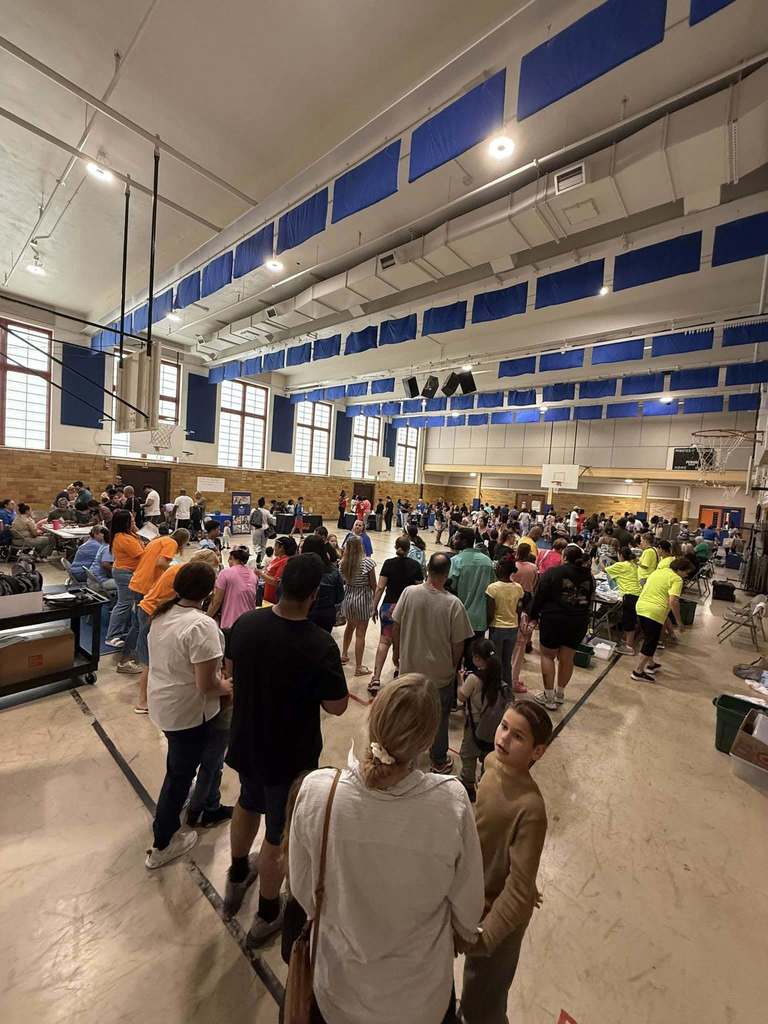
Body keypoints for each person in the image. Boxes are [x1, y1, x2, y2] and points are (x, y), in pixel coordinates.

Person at [288, 673, 484, 1024]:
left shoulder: (319, 792)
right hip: (420, 999)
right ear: (426, 742)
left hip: (338, 991)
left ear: (372, 713)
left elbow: (304, 893)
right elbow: (468, 907)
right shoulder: (451, 802)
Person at [223, 554, 349, 945]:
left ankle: (238, 871)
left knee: (247, 801)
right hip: (290, 753)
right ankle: (267, 911)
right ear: (313, 595)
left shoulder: (246, 624)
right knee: (277, 835)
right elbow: (337, 705)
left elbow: (229, 669)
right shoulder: (319, 644)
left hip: (246, 737)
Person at [458, 700, 552, 1024]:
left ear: (537, 752)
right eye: (504, 727)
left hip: (502, 922)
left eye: (518, 737)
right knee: (472, 985)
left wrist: (486, 938)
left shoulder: (531, 809)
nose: (503, 738)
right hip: (480, 897)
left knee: (484, 1001)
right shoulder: (490, 764)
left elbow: (517, 889)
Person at [144, 562, 232, 868]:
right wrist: (230, 685)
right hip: (187, 713)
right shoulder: (201, 626)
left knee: (182, 767)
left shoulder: (163, 614)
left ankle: (198, 805)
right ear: (209, 592)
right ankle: (162, 842)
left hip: (165, 705)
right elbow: (207, 685)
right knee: (179, 776)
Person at [392, 553, 473, 774]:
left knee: (408, 715)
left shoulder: (409, 593)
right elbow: (459, 643)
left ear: (427, 569)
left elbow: (396, 626)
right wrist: (453, 665)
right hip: (440, 676)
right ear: (447, 575)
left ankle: (405, 756)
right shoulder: (454, 604)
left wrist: (397, 653)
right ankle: (438, 759)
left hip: (409, 671)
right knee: (439, 718)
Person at [133, 549, 220, 715]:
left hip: (151, 609)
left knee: (154, 660)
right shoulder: (184, 575)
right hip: (151, 610)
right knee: (150, 663)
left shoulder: (179, 569)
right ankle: (142, 701)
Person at [529, 544, 595, 711]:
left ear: (564, 557)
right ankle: (560, 693)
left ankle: (548, 696)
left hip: (554, 619)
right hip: (578, 621)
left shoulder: (553, 573)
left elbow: (540, 596)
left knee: (548, 656)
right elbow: (590, 600)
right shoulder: (589, 577)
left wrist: (533, 616)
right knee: (567, 658)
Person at [369, 536, 423, 695]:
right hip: (406, 609)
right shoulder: (415, 565)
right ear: (408, 549)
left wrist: (373, 607)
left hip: (388, 607)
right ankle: (400, 671)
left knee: (384, 642)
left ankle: (376, 678)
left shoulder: (388, 564)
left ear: (395, 546)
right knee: (404, 642)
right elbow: (420, 589)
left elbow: (380, 587)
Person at [632, 558, 694, 682]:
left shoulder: (658, 572)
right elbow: (673, 601)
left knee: (648, 637)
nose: (687, 575)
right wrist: (679, 622)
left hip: (641, 607)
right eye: (686, 572)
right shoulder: (677, 579)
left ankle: (651, 664)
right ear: (680, 570)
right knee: (651, 641)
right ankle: (638, 671)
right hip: (655, 611)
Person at [458, 638, 504, 801]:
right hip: (492, 724)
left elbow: (462, 696)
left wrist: (461, 680)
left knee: (468, 755)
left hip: (474, 724)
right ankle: (485, 783)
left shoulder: (473, 679)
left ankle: (468, 784)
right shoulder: (497, 676)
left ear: (477, 658)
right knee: (487, 756)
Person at [448, 527, 496, 663]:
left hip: (459, 619)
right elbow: (493, 590)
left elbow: (449, 589)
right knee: (474, 661)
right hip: (480, 620)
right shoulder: (487, 562)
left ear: (464, 541)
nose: (453, 540)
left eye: (456, 537)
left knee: (455, 660)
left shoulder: (456, 561)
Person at [105, 509, 146, 662]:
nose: (135, 522)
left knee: (129, 603)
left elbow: (141, 546)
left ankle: (123, 630)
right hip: (124, 573)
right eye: (132, 520)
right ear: (125, 523)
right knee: (124, 603)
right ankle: (112, 635)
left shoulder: (129, 535)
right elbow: (142, 554)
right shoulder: (123, 538)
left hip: (128, 571)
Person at [339, 536, 377, 675]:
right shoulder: (368, 563)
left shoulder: (343, 563)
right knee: (360, 633)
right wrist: (375, 604)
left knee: (349, 626)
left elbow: (343, 581)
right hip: (362, 599)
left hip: (348, 598)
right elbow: (374, 585)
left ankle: (344, 654)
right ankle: (359, 667)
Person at [486, 558, 525, 691]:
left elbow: (490, 613)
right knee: (507, 661)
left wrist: (486, 625)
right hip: (512, 627)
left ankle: (494, 690)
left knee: (495, 661)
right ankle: (507, 691)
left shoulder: (493, 588)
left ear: (500, 569)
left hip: (497, 627)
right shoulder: (518, 588)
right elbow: (519, 609)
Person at [301, 534, 344, 633]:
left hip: (302, 611)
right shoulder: (334, 571)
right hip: (326, 613)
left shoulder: (297, 568)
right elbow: (339, 597)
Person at [206, 547, 256, 629]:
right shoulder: (253, 575)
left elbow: (217, 601)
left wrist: (206, 618)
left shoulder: (225, 573)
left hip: (231, 623)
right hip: (250, 622)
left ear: (231, 558)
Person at [606, 546, 642, 655]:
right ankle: (626, 640)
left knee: (629, 621)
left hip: (630, 595)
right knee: (629, 619)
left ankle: (629, 647)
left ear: (620, 555)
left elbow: (604, 569)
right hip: (637, 594)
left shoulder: (621, 565)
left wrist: (601, 561)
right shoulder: (632, 564)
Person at [255, 535, 296, 604]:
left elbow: (276, 582)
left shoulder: (285, 562)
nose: (274, 548)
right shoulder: (277, 558)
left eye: (275, 546)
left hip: (274, 599)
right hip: (268, 595)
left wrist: (260, 574)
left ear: (281, 548)